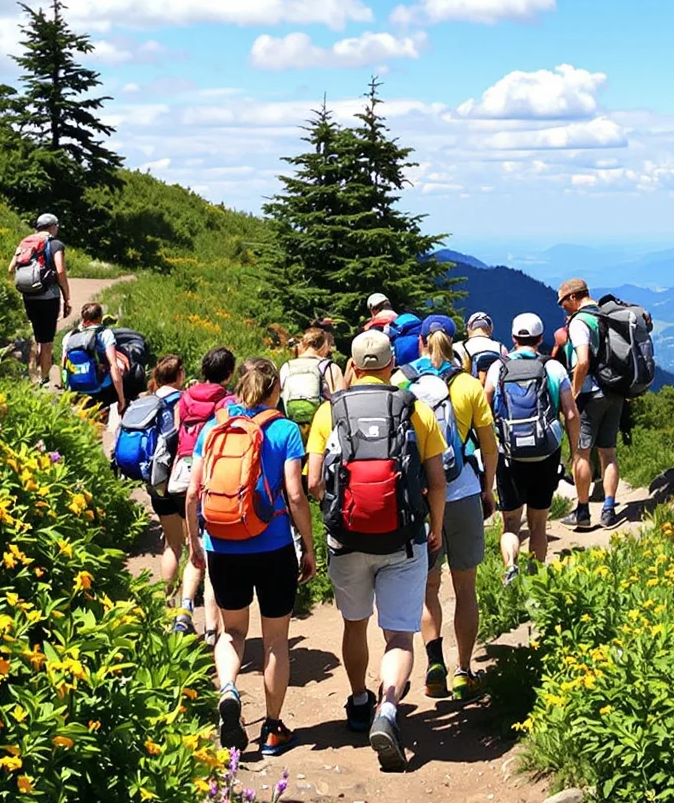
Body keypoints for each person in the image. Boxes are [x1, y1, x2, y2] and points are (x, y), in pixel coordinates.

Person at [305, 328, 447, 772]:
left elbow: (314, 481)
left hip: (347, 539)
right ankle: (388, 709)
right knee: (400, 634)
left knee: (355, 623)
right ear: (391, 366)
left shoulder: (330, 411)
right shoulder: (414, 408)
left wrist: (338, 508)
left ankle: (359, 703)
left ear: (352, 366)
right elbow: (437, 481)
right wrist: (435, 526)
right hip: (403, 537)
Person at [189, 357, 317, 757]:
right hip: (273, 545)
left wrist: (195, 543)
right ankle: (273, 730)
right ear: (275, 389)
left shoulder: (214, 427)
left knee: (232, 632)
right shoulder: (284, 429)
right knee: (276, 640)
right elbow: (295, 494)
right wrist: (309, 545)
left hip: (223, 545)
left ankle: (229, 690)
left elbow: (193, 493)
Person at [405, 329, 498, 701]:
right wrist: (488, 489)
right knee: (465, 588)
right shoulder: (468, 385)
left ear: (422, 343)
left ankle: (434, 665)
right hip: (463, 492)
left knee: (429, 588)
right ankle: (463, 671)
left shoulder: (403, 382)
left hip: (421, 500)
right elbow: (489, 447)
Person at [487, 312, 577, 581]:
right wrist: (575, 451)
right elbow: (570, 413)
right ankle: (535, 579)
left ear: (513, 338)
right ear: (540, 338)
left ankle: (510, 568)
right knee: (538, 523)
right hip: (545, 453)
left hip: (509, 454)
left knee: (511, 523)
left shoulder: (498, 368)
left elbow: (485, 410)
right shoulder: (553, 368)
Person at [171, 347, 236, 636]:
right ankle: (212, 629)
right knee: (212, 553)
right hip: (210, 476)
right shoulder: (226, 402)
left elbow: (177, 432)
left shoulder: (185, 396)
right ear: (229, 374)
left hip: (183, 473)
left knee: (193, 547)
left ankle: (184, 610)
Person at [558, 276, 622, 530]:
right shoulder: (606, 315)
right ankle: (609, 510)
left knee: (581, 453)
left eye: (563, 301)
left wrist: (573, 394)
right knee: (608, 453)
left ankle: (583, 511)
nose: (562, 306)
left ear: (573, 297)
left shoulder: (579, 322)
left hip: (589, 394)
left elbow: (582, 361)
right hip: (614, 391)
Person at [121, 353, 189, 587]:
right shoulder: (183, 401)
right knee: (191, 540)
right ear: (179, 375)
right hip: (180, 479)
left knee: (172, 543)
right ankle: (190, 592)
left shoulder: (145, 401)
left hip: (154, 480)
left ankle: (168, 596)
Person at [13, 212, 71, 386]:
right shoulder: (55, 244)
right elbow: (60, 271)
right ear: (52, 226)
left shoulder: (25, 243)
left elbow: (11, 268)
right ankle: (43, 379)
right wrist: (67, 298)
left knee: (37, 335)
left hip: (29, 296)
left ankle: (33, 372)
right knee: (47, 342)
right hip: (48, 297)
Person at [279, 327, 339, 430]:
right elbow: (341, 399)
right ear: (324, 345)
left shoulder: (287, 366)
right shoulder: (328, 366)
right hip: (322, 424)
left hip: (292, 423)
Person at [459, 310, 504, 381]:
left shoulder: (460, 347)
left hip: (471, 387)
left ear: (468, 328)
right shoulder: (501, 348)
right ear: (490, 329)